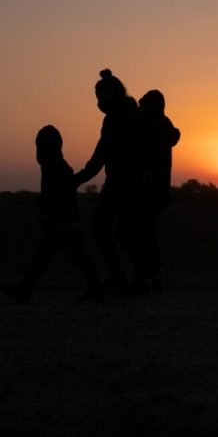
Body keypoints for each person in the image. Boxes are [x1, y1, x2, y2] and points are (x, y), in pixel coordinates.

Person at [2, 126, 104, 304]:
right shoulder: (61, 166)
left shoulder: (53, 167)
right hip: (66, 221)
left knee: (45, 257)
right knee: (68, 255)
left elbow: (56, 194)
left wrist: (43, 204)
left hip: (60, 222)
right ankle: (95, 286)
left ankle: (25, 290)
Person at [74, 69, 146, 295]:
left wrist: (77, 178)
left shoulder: (117, 118)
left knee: (111, 228)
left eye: (101, 96)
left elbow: (101, 154)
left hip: (124, 183)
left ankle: (130, 277)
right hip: (127, 182)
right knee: (121, 230)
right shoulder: (132, 113)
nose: (99, 101)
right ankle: (137, 277)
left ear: (112, 94)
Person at [139, 89, 181, 294]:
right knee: (146, 233)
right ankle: (152, 276)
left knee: (145, 233)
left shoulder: (157, 128)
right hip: (157, 190)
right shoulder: (162, 127)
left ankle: (152, 277)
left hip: (153, 190)